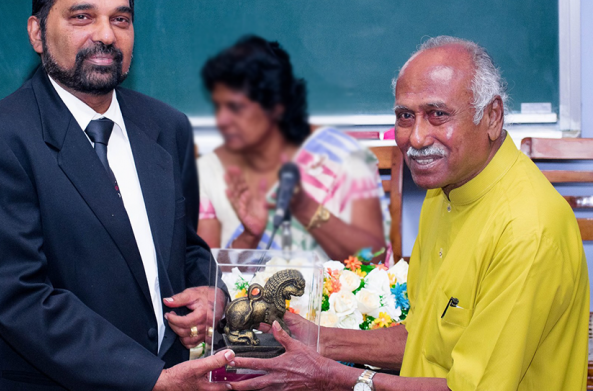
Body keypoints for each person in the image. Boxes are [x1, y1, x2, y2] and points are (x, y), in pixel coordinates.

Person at [227, 36, 589, 391]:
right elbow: (422, 335)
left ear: (492, 116)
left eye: (437, 115)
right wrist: (319, 339)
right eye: (405, 116)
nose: (416, 138)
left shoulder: (527, 230)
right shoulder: (444, 190)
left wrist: (333, 377)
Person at [0, 0, 233, 390]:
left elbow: (184, 247)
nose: (106, 34)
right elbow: (21, 298)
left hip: (172, 372)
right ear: (37, 33)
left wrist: (213, 292)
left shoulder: (167, 127)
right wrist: (149, 379)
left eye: (121, 19)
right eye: (82, 17)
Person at [198, 35, 390, 262]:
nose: (223, 119)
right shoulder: (208, 171)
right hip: (247, 286)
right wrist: (250, 236)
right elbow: (205, 275)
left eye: (236, 107)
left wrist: (305, 208)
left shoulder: (344, 157)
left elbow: (373, 259)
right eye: (219, 106)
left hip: (327, 286)